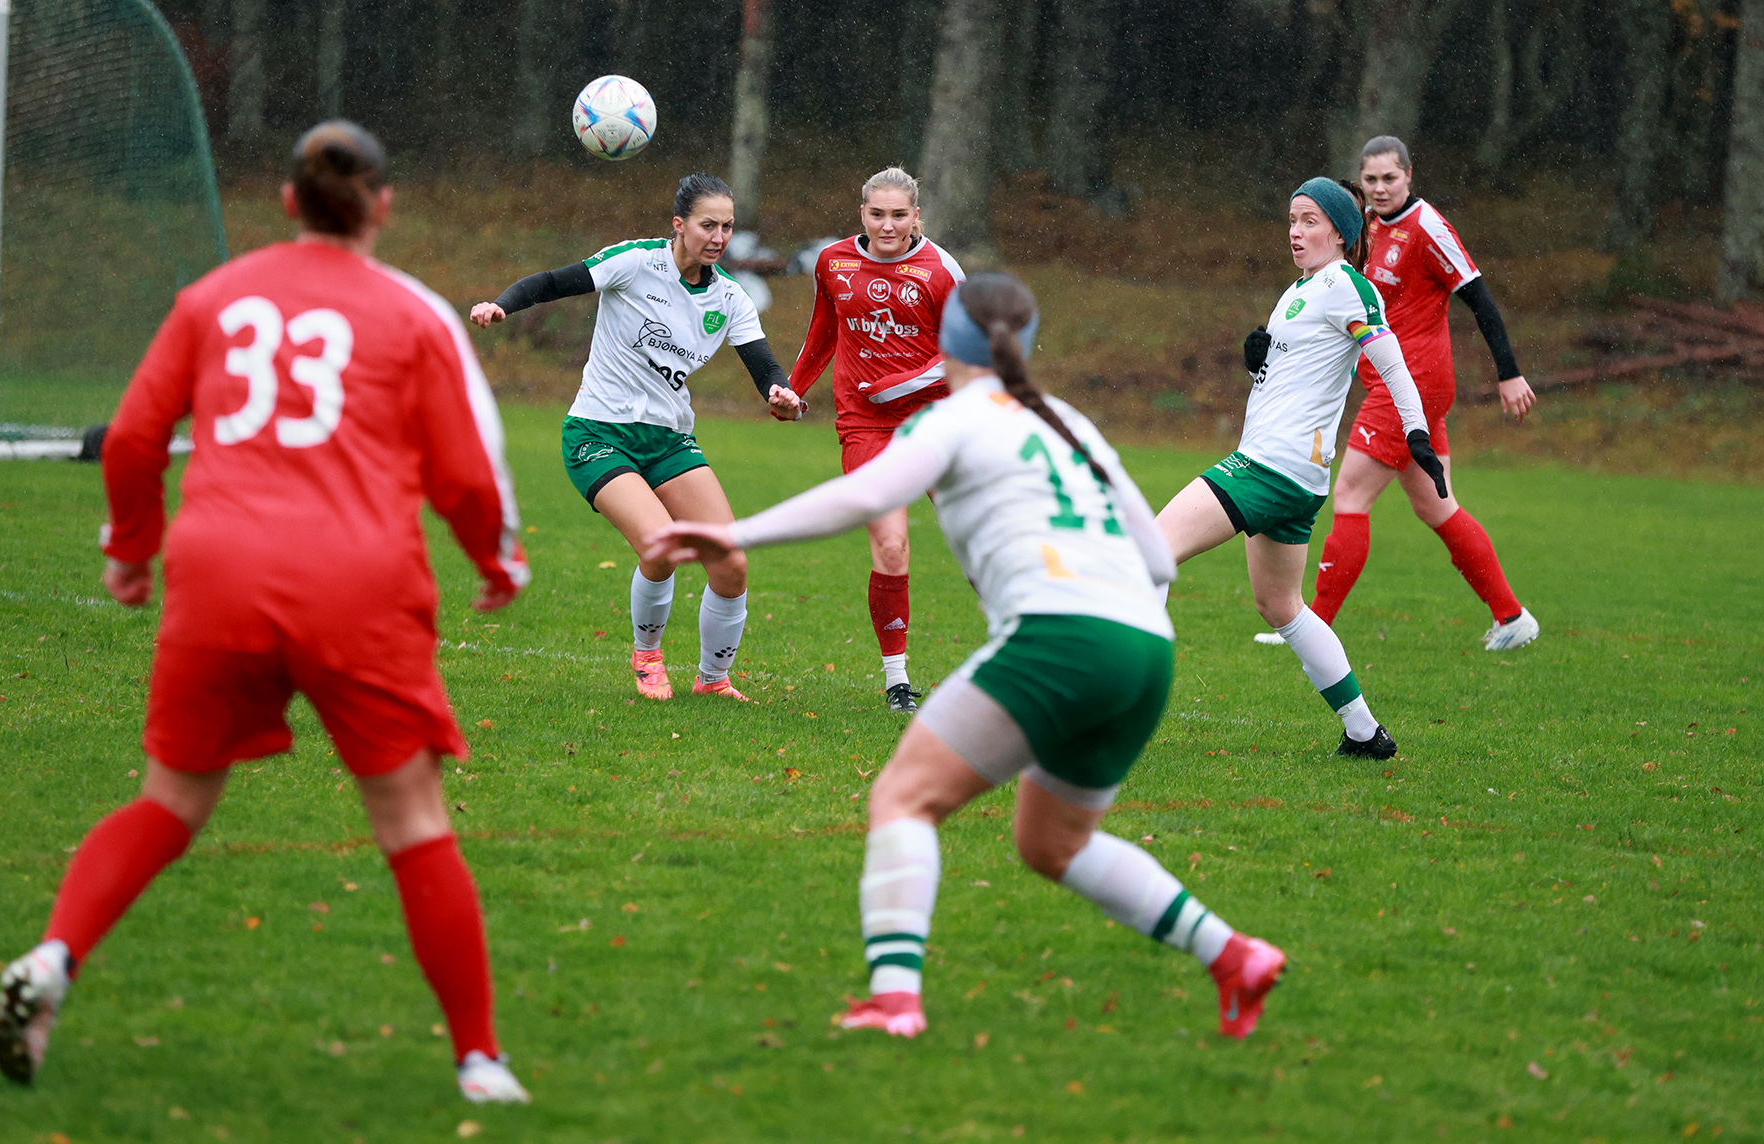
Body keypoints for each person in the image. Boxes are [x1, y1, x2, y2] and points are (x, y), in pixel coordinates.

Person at [0, 122, 533, 1104]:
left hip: (219, 573)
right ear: (383, 207)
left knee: (169, 801)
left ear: (286, 201)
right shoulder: (409, 315)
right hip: (355, 581)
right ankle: (480, 1060)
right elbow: (461, 471)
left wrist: (129, 552)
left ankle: (56, 958)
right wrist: (497, 560)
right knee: (411, 820)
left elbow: (135, 439)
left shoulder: (213, 297)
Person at [645, 273, 1286, 1041]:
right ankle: (1233, 955)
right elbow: (1159, 556)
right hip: (1145, 648)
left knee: (903, 799)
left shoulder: (950, 422)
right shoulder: (1069, 420)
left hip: (1060, 638)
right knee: (1052, 844)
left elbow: (861, 497)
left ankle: (893, 1000)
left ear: (945, 341)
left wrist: (734, 534)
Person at [470, 174, 802, 703]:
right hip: (598, 433)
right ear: (679, 224)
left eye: (727, 227)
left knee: (731, 561)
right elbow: (554, 283)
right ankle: (647, 654)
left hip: (669, 440)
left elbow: (765, 368)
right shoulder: (635, 261)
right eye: (707, 224)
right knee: (660, 545)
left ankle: (713, 680)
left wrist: (780, 395)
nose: (718, 237)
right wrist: (502, 304)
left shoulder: (730, 298)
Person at [1157, 177, 1445, 762]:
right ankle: (1364, 732)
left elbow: (1390, 363)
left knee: (1148, 553)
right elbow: (1302, 369)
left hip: (1270, 466)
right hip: (1296, 474)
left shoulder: (1346, 286)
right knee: (1281, 606)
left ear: (1341, 231)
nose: (1296, 230)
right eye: (1292, 219)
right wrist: (1262, 359)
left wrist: (1416, 430)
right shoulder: (1305, 287)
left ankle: (1115, 708)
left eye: (1310, 220)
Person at [1293, 135, 1539, 650]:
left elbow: (1481, 299)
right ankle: (1511, 617)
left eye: (1390, 178)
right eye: (1371, 179)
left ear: (1409, 176)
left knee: (1350, 494)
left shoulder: (1428, 227)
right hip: (1396, 383)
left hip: (1414, 385)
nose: (1380, 189)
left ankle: (1313, 627)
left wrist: (1509, 372)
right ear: (1359, 181)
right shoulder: (1365, 228)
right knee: (1436, 507)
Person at [787, 167, 965, 712]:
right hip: (864, 425)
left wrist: (899, 385)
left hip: (938, 422)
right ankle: (897, 682)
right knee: (890, 545)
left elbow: (964, 356)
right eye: (877, 214)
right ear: (861, 213)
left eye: (899, 215)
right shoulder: (832, 262)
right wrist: (790, 390)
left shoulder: (941, 271)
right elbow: (823, 331)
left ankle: (1027, 662)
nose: (888, 225)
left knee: (981, 544)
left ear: (918, 217)